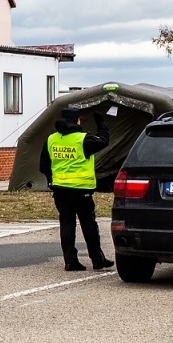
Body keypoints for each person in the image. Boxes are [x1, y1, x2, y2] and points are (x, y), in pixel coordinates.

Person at [39, 105, 112, 272]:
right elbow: (103, 140)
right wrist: (101, 123)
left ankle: (70, 262)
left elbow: (44, 166)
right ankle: (97, 259)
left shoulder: (51, 139)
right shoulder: (83, 139)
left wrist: (52, 181)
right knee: (88, 223)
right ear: (77, 121)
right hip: (81, 190)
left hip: (60, 190)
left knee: (67, 223)